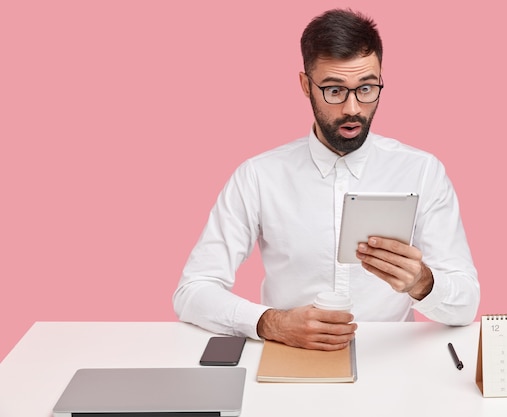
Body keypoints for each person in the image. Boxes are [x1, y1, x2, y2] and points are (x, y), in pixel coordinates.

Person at [173, 8, 479, 351]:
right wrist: (271, 323)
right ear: (306, 85)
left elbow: (466, 303)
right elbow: (193, 291)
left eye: (366, 88)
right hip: (288, 356)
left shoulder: (422, 171)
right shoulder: (259, 176)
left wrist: (423, 283)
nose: (352, 108)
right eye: (334, 90)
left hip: (392, 369)